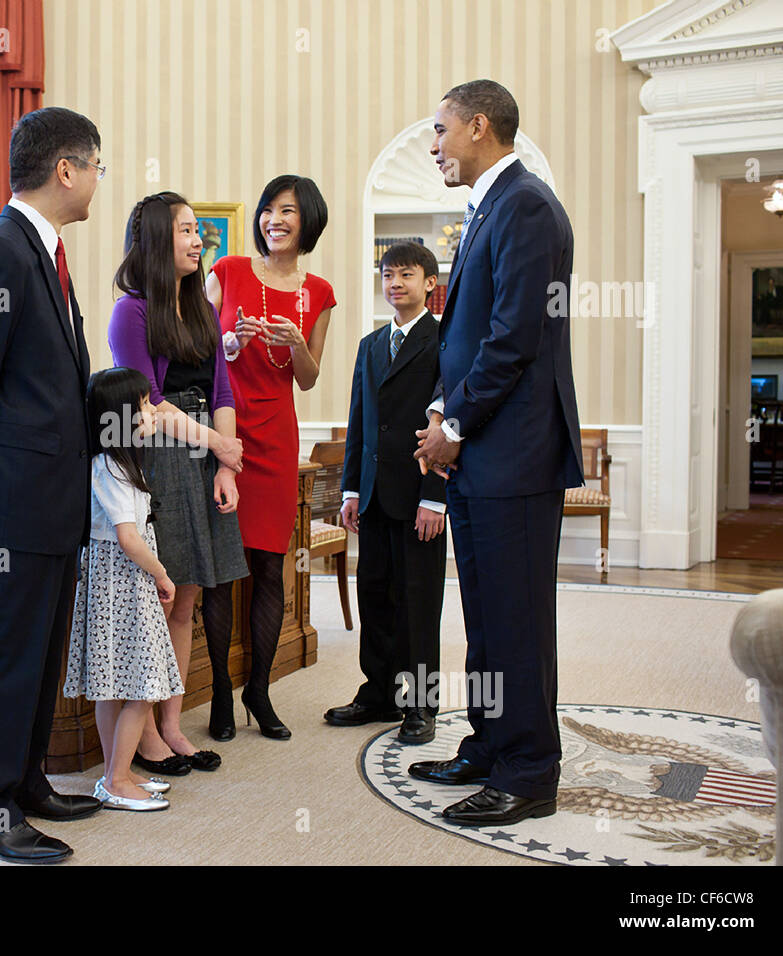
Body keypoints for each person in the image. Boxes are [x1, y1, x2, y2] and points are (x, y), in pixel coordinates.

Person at [0, 106, 105, 864]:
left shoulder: (50, 254)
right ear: (65, 169)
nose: (99, 180)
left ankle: (26, 781)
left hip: (54, 499)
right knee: (4, 653)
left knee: (39, 650)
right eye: (96, 165)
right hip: (12, 494)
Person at [412, 80, 583, 826]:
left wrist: (454, 427)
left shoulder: (528, 207)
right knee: (484, 615)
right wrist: (446, 412)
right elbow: (473, 338)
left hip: (514, 451)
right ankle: (488, 743)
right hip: (484, 447)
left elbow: (514, 338)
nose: (435, 146)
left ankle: (529, 771)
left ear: (479, 126)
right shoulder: (492, 207)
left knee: (516, 619)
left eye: (442, 130)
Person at [108, 192, 248, 774]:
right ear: (158, 241)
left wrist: (224, 465)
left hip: (202, 459)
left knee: (188, 597)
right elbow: (150, 405)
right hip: (162, 460)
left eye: (199, 231)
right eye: (188, 231)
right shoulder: (131, 312)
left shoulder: (203, 310)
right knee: (159, 600)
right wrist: (218, 445)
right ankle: (141, 737)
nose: (199, 241)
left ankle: (170, 724)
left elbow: (221, 392)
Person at [204, 175, 335, 739]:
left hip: (278, 436)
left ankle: (259, 691)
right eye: (267, 210)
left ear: (308, 220)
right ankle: (217, 698)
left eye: (287, 211)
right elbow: (200, 353)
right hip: (226, 430)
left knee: (268, 567)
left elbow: (308, 379)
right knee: (218, 571)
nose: (273, 220)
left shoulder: (320, 292)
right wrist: (231, 342)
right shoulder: (226, 271)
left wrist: (295, 345)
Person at [328, 241, 447, 745]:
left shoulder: (445, 341)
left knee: (418, 603)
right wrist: (351, 488)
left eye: (406, 274)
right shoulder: (371, 345)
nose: (395, 282)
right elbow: (360, 423)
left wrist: (434, 497)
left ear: (428, 284)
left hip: (419, 495)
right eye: (387, 274)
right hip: (374, 493)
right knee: (374, 594)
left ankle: (420, 704)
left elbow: (449, 423)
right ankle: (377, 691)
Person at [65, 367, 184, 811]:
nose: (153, 410)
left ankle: (118, 771)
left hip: (114, 583)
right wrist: (162, 574)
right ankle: (116, 780)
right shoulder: (113, 467)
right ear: (120, 416)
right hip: (125, 584)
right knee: (142, 686)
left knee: (113, 684)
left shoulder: (114, 463)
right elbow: (128, 537)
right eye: (145, 404)